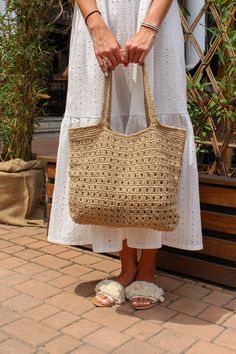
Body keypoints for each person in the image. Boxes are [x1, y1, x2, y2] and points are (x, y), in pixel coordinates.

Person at [48, 0, 203, 309]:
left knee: (154, 126)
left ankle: (147, 268)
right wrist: (96, 24)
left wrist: (149, 26)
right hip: (99, 14)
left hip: (153, 14)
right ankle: (126, 267)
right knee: (106, 136)